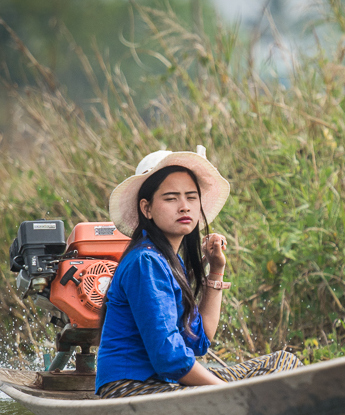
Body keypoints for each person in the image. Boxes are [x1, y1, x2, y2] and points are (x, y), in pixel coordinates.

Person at [95, 147, 302, 398]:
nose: (184, 207)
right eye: (171, 198)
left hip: (163, 385)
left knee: (282, 363)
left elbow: (199, 340)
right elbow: (170, 359)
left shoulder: (168, 261)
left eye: (191, 197)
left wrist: (216, 270)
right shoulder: (145, 262)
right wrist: (231, 393)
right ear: (146, 208)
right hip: (130, 390)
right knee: (275, 374)